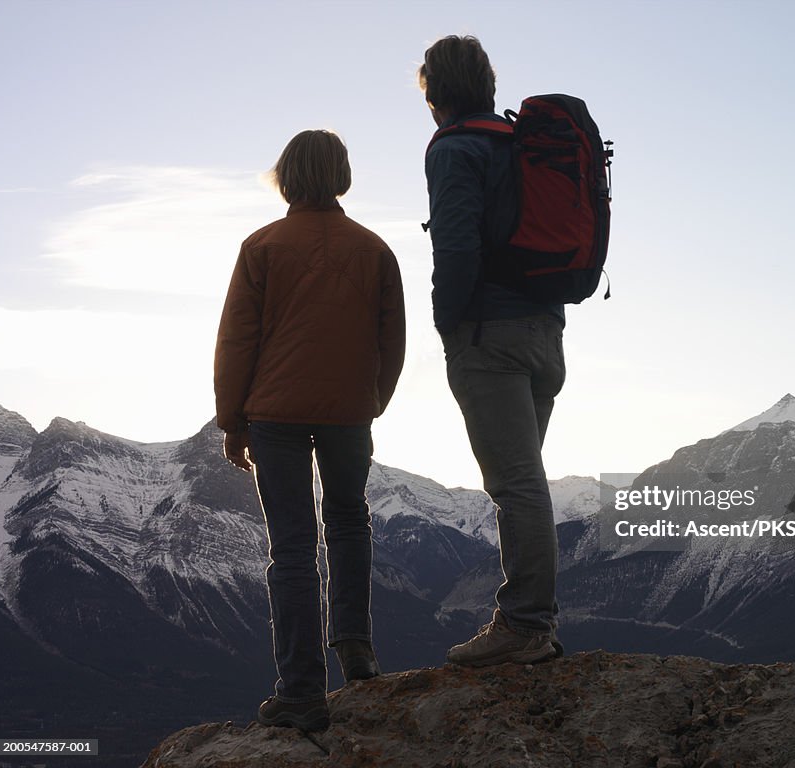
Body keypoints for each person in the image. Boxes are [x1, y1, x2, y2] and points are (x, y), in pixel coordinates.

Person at [214, 129, 405, 730]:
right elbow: (392, 338)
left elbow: (237, 340)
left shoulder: (261, 247)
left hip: (275, 414)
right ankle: (356, 648)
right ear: (342, 176)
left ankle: (300, 692)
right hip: (349, 411)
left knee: (292, 548)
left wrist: (232, 420)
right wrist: (373, 400)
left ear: (287, 177)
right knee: (349, 520)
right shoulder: (375, 250)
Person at [419, 35, 565, 667]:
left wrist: (447, 321)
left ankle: (527, 626)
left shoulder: (456, 148)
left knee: (516, 484)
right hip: (545, 333)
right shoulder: (519, 143)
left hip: (490, 337)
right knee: (524, 479)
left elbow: (455, 245)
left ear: (435, 91)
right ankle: (531, 622)